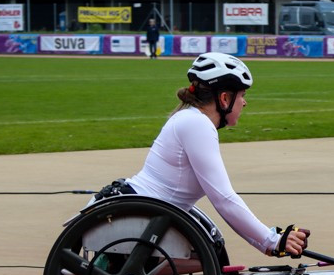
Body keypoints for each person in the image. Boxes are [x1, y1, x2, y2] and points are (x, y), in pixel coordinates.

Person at [88, 53, 308, 258]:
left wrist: (270, 244)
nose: (244, 102)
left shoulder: (191, 119)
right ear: (224, 98)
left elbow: (223, 201)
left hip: (140, 215)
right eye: (242, 95)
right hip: (134, 220)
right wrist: (272, 240)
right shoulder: (197, 123)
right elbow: (223, 199)